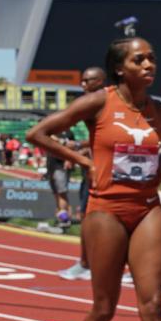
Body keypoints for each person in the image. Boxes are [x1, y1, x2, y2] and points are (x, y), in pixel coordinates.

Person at [26, 38, 161, 321]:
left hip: (147, 208)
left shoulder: (159, 109)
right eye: (139, 59)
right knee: (104, 307)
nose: (149, 65)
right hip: (105, 210)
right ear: (119, 68)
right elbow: (38, 133)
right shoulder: (100, 101)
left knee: (153, 307)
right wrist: (84, 161)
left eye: (152, 59)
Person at [59, 66, 106, 281]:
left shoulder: (102, 103)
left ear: (101, 81)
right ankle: (88, 262)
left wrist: (79, 149)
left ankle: (91, 264)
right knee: (89, 219)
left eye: (88, 81)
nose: (83, 85)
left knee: (95, 220)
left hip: (101, 173)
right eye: (83, 81)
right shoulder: (99, 104)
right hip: (94, 170)